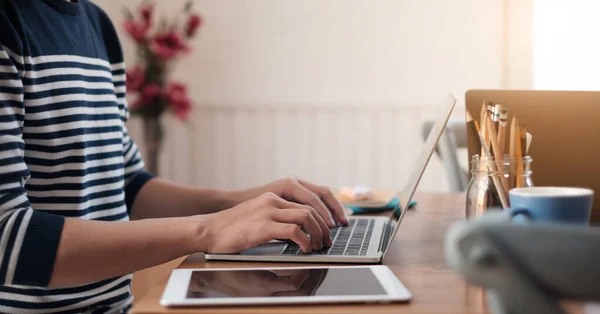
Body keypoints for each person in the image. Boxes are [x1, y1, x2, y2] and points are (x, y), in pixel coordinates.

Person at [0, 0, 348, 312]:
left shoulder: (97, 25)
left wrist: (241, 202)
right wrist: (206, 230)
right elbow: (8, 239)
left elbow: (125, 184)